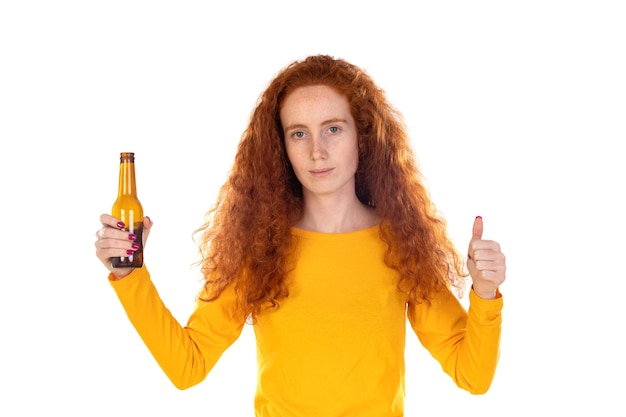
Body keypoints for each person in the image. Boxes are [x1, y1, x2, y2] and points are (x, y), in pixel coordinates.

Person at [95, 54, 506, 416]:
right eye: (299, 133)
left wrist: (485, 292)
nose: (316, 152)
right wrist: (130, 276)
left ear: (361, 135)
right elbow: (187, 366)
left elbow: (473, 376)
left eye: (332, 129)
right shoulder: (260, 249)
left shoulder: (402, 246)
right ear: (281, 147)